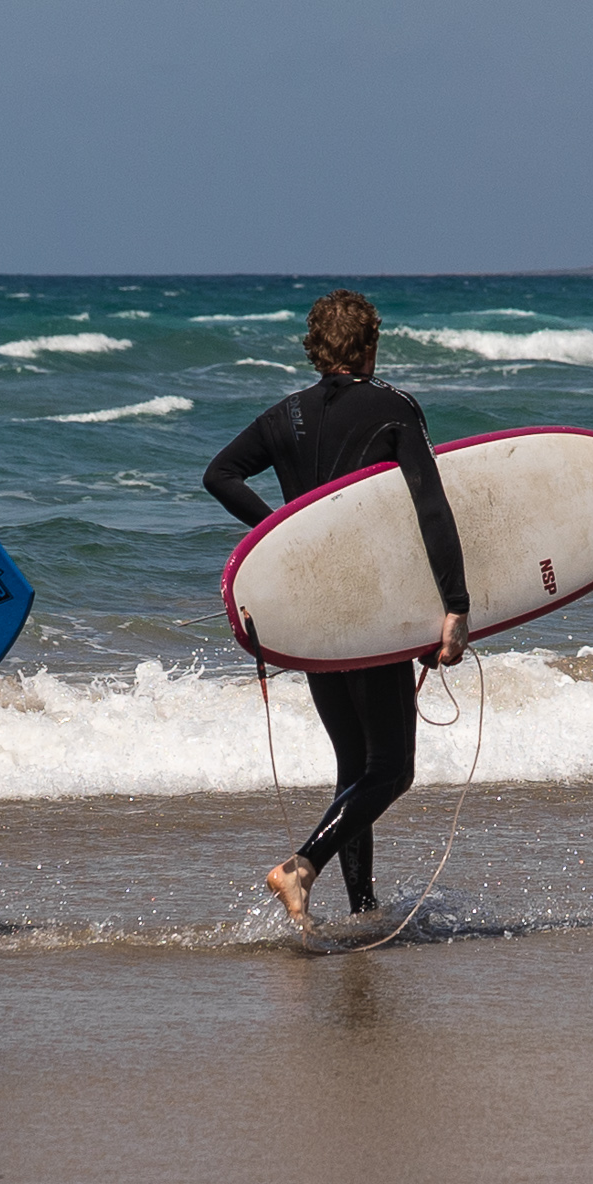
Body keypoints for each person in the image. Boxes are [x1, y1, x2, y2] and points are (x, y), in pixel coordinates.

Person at [203, 289, 468, 931]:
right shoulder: (396, 409)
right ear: (371, 343)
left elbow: (221, 475)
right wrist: (455, 604)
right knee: (393, 770)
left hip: (313, 613)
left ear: (316, 348)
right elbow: (432, 506)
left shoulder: (284, 414)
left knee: (356, 767)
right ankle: (301, 867)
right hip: (368, 608)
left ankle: (362, 911)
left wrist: (280, 534)